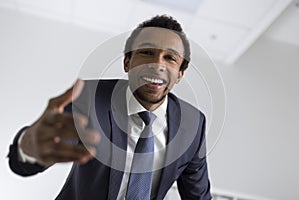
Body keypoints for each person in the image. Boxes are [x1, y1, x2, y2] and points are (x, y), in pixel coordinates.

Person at [8, 15, 212, 200]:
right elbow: (45, 147)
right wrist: (28, 147)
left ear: (179, 74)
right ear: (127, 62)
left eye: (170, 58)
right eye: (146, 52)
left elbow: (198, 196)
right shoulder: (89, 98)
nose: (157, 64)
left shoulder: (193, 123)